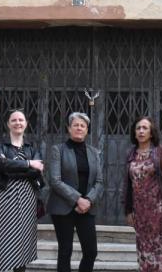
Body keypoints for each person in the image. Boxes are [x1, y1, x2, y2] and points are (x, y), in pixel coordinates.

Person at [0, 108, 45, 272]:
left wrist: (12, 166)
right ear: (8, 124)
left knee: (22, 240)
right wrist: (28, 164)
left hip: (27, 198)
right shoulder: (0, 147)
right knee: (4, 238)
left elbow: (37, 171)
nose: (18, 123)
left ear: (26, 124)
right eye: (14, 120)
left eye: (21, 120)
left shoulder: (32, 149)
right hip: (5, 197)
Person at [46, 112, 103, 272]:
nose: (79, 128)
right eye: (75, 125)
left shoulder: (94, 152)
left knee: (91, 251)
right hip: (63, 207)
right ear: (69, 128)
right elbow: (55, 180)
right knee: (65, 251)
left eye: (82, 125)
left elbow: (99, 182)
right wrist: (78, 199)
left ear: (87, 130)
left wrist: (88, 200)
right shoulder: (58, 150)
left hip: (87, 208)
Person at [123, 115, 162, 272]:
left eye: (145, 128)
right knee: (145, 254)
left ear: (151, 132)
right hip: (140, 211)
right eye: (138, 128)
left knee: (161, 253)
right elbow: (127, 184)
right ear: (134, 133)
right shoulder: (130, 154)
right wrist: (128, 210)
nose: (141, 131)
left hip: (160, 211)